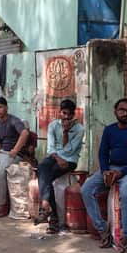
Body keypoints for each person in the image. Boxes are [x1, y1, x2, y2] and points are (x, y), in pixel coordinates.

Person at [80, 98, 127, 253]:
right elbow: (103, 153)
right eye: (121, 110)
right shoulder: (109, 130)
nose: (125, 113)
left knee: (125, 194)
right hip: (111, 168)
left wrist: (122, 172)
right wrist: (105, 171)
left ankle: (126, 237)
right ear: (115, 112)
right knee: (86, 189)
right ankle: (103, 230)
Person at [35, 99, 84, 234]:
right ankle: (47, 205)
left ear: (73, 114)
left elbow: (70, 150)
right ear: (60, 112)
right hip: (55, 157)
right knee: (41, 167)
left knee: (47, 177)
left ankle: (52, 216)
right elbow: (50, 148)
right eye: (64, 113)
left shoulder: (79, 129)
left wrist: (66, 132)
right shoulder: (53, 125)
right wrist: (57, 158)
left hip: (70, 160)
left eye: (69, 114)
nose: (66, 117)